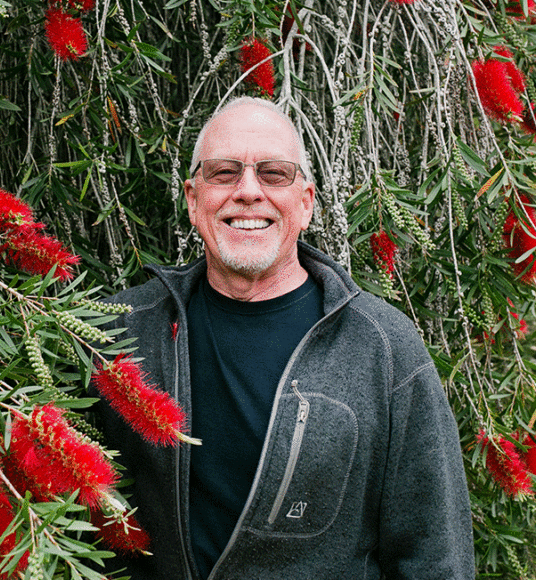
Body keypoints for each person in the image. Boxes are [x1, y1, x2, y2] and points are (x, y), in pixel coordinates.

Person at [94, 96, 475, 579]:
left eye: (273, 174)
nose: (248, 191)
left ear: (306, 203)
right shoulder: (123, 331)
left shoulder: (383, 348)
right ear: (193, 200)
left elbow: (435, 552)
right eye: (224, 173)